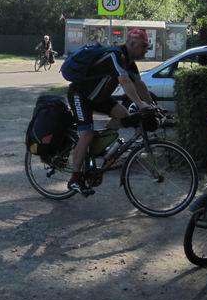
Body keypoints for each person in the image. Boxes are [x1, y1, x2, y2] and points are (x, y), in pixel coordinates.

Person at [66, 28, 155, 195]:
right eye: (143, 47)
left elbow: (139, 84)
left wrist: (152, 105)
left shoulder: (129, 61)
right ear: (132, 43)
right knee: (87, 133)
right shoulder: (115, 55)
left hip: (98, 97)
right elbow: (124, 80)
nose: (145, 50)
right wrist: (140, 104)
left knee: (123, 115)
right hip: (81, 94)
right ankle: (75, 178)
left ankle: (99, 149)